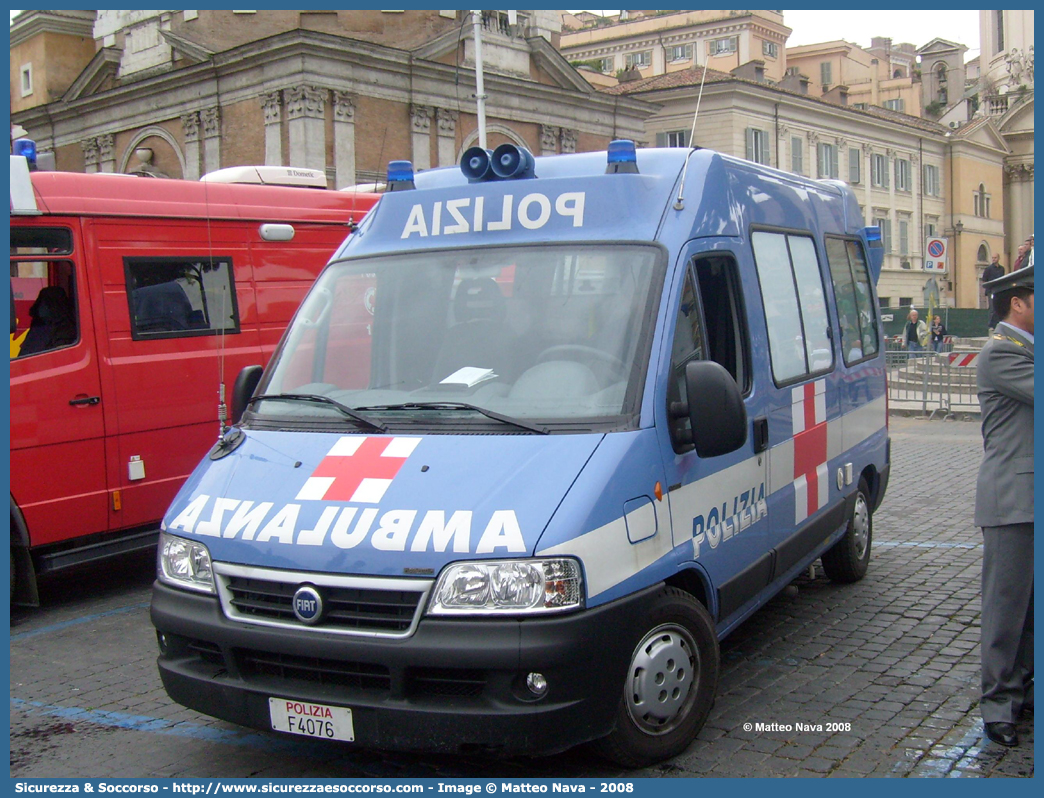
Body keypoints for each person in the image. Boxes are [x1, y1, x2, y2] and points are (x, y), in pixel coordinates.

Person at [975, 263, 1034, 748]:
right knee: (1006, 607)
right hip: (1013, 499)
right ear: (1018, 302)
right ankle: (998, 705)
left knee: (1031, 608)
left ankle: (1023, 691)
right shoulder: (1001, 354)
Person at [982, 254, 1005, 333]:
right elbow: (984, 280)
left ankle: (998, 323)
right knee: (992, 308)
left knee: (999, 307)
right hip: (991, 291)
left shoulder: (1002, 269)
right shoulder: (988, 269)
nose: (994, 259)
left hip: (999, 290)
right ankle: (991, 325)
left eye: (995, 258)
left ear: (998, 258)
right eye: (993, 258)